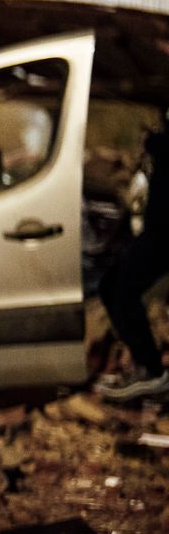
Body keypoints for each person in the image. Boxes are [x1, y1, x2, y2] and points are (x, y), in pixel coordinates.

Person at [98, 124, 169, 401]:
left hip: (163, 231)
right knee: (114, 287)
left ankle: (151, 371)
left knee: (118, 289)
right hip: (157, 229)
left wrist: (153, 141)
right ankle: (148, 367)